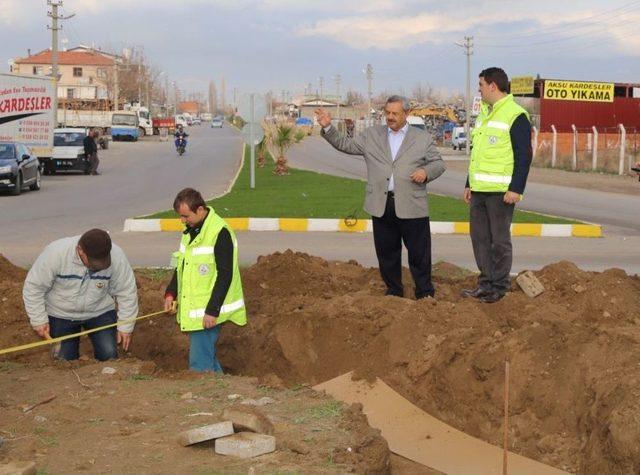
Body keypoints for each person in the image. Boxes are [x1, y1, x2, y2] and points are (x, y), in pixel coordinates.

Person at [316, 96, 446, 299]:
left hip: (412, 204)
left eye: (395, 113)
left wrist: (426, 172)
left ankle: (424, 293)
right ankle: (394, 291)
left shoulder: (422, 139)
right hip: (381, 204)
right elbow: (345, 144)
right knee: (387, 253)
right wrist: (328, 128)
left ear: (407, 114)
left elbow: (438, 163)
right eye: (387, 113)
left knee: (419, 253)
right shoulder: (372, 135)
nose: (390, 117)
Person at [461, 67, 533, 304]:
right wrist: (469, 183)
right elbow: (478, 154)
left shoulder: (516, 115)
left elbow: (523, 155)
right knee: (479, 239)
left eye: (480, 85)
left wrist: (517, 188)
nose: (479, 90)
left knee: (499, 241)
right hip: (479, 190)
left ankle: (499, 287)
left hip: (501, 192)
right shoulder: (484, 114)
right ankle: (485, 284)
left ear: (492, 86)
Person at [164, 188, 247, 372]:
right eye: (180, 216)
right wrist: (171, 293)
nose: (183, 221)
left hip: (208, 313)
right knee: (205, 359)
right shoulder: (190, 231)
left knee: (199, 366)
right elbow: (182, 267)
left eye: (186, 216)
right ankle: (222, 390)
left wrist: (212, 310)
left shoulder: (220, 232)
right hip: (197, 310)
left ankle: (205, 398)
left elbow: (225, 275)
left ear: (200, 210)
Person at [23, 229, 139, 360]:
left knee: (109, 355)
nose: (97, 267)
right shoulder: (56, 253)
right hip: (61, 314)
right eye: (93, 262)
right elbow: (34, 287)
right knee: (65, 362)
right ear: (80, 250)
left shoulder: (117, 256)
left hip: (100, 311)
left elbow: (127, 291)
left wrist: (125, 326)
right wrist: (39, 319)